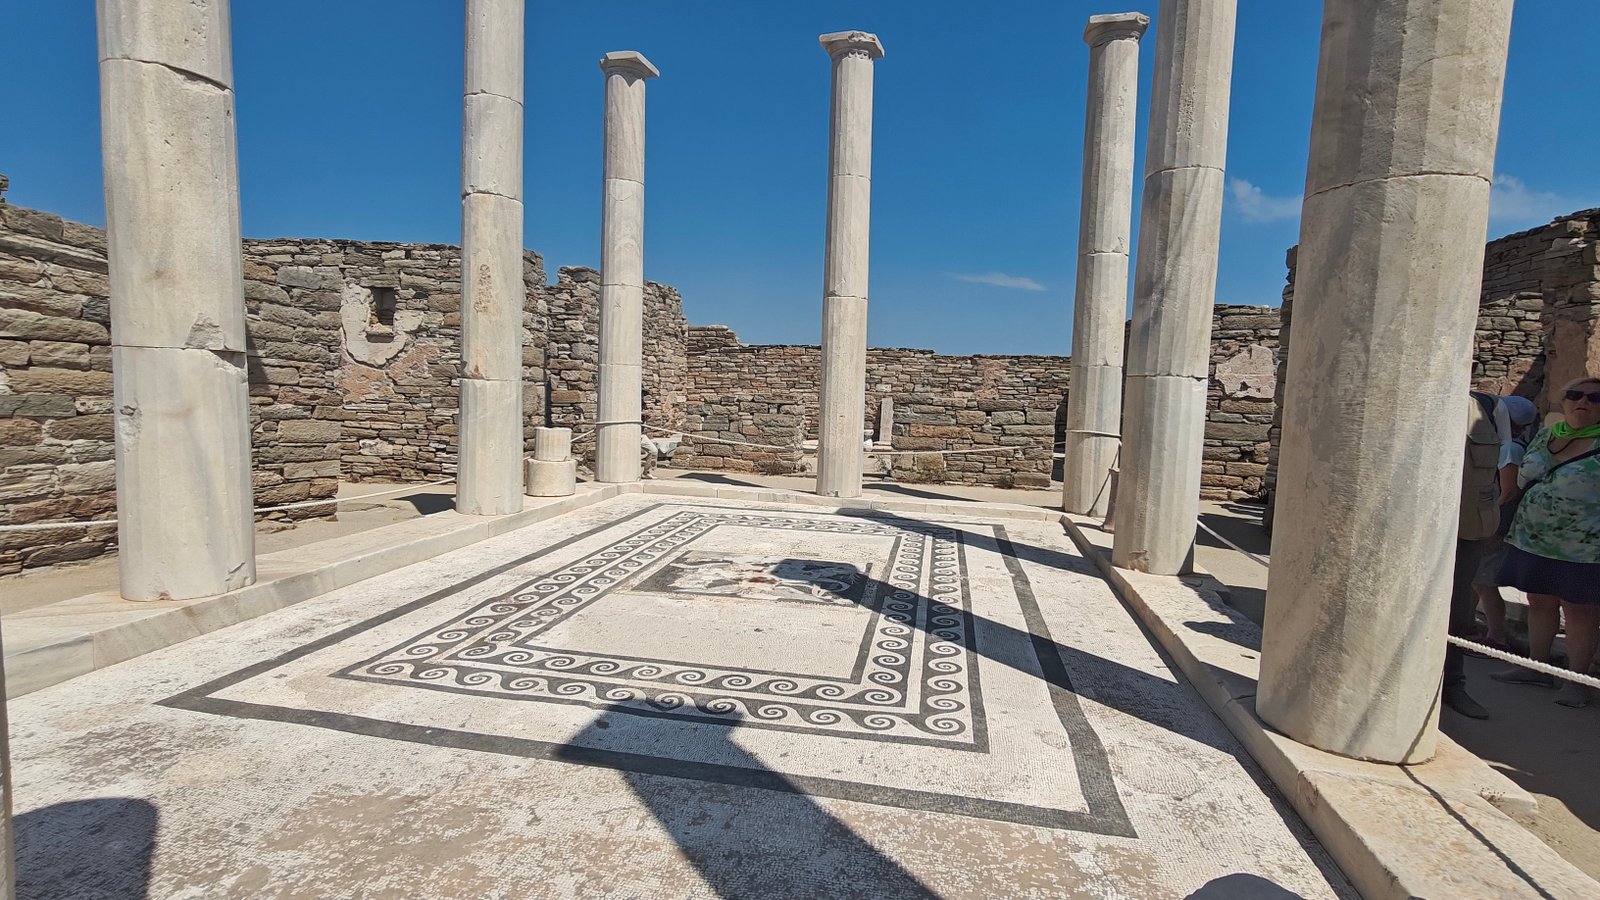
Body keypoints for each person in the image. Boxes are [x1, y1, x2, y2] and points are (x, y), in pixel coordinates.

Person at [1491, 376, 1600, 707]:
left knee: (1580, 610)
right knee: (1539, 601)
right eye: (1575, 394)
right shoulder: (1547, 435)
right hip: (1534, 537)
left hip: (1585, 546)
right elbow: (1524, 474)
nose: (1583, 401)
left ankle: (1575, 680)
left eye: (1595, 398)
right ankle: (1537, 667)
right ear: (1564, 400)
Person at [1442, 391, 1503, 719]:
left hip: (1465, 528)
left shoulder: (1487, 408)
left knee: (1458, 612)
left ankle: (1452, 684)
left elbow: (1497, 469)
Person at [1473, 394, 1540, 650]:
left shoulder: (1510, 449)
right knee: (1476, 580)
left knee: (1484, 581)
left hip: (1495, 524)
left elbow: (1506, 492)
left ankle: (1496, 636)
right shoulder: (1507, 445)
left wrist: (1484, 519)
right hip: (1492, 520)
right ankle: (1471, 625)